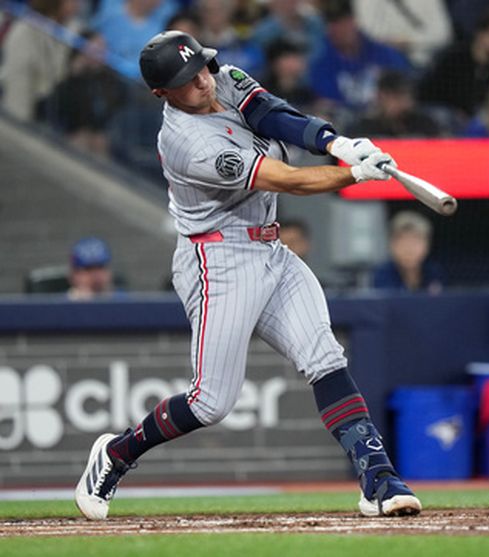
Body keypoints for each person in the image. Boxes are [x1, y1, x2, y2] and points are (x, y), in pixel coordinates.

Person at [74, 30, 421, 521]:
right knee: (210, 403)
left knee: (324, 357)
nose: (201, 81)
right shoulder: (188, 143)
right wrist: (354, 174)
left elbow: (272, 113)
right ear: (161, 93)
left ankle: (379, 477)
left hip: (270, 247)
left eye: (200, 67)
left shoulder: (218, 78)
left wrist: (337, 143)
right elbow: (289, 180)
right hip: (219, 259)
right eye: (185, 79)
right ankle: (116, 453)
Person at [307, 0, 411, 111]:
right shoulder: (320, 65)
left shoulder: (384, 54)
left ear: (354, 21)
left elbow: (406, 83)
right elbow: (329, 103)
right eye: (335, 24)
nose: (341, 29)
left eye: (346, 22)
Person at [418, 11, 489, 119]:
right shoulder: (456, 57)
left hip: (469, 116)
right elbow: (452, 95)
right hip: (438, 108)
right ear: (482, 35)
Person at [0, 0, 81, 122]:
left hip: (42, 118)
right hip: (19, 118)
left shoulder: (62, 32)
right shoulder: (26, 32)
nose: (78, 5)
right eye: (73, 1)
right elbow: (17, 94)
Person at [351, 0, 453, 68]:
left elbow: (443, 34)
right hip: (380, 64)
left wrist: (407, 42)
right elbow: (366, 33)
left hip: (419, 63)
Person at [91, 0, 177, 79]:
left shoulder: (162, 23)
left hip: (138, 82)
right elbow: (91, 35)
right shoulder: (110, 9)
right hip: (102, 71)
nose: (159, 2)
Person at [349, 70, 442, 138]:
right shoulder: (364, 127)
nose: (403, 102)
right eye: (396, 97)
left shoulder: (424, 123)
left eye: (405, 96)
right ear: (380, 97)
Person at [372, 211, 444, 293]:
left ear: (427, 245)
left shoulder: (435, 272)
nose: (409, 249)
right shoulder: (382, 274)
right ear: (391, 245)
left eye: (415, 242)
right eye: (403, 242)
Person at [196, 0, 265, 80]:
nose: (213, 15)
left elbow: (258, 70)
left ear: (228, 12)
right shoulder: (197, 46)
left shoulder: (245, 41)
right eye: (208, 11)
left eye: (219, 10)